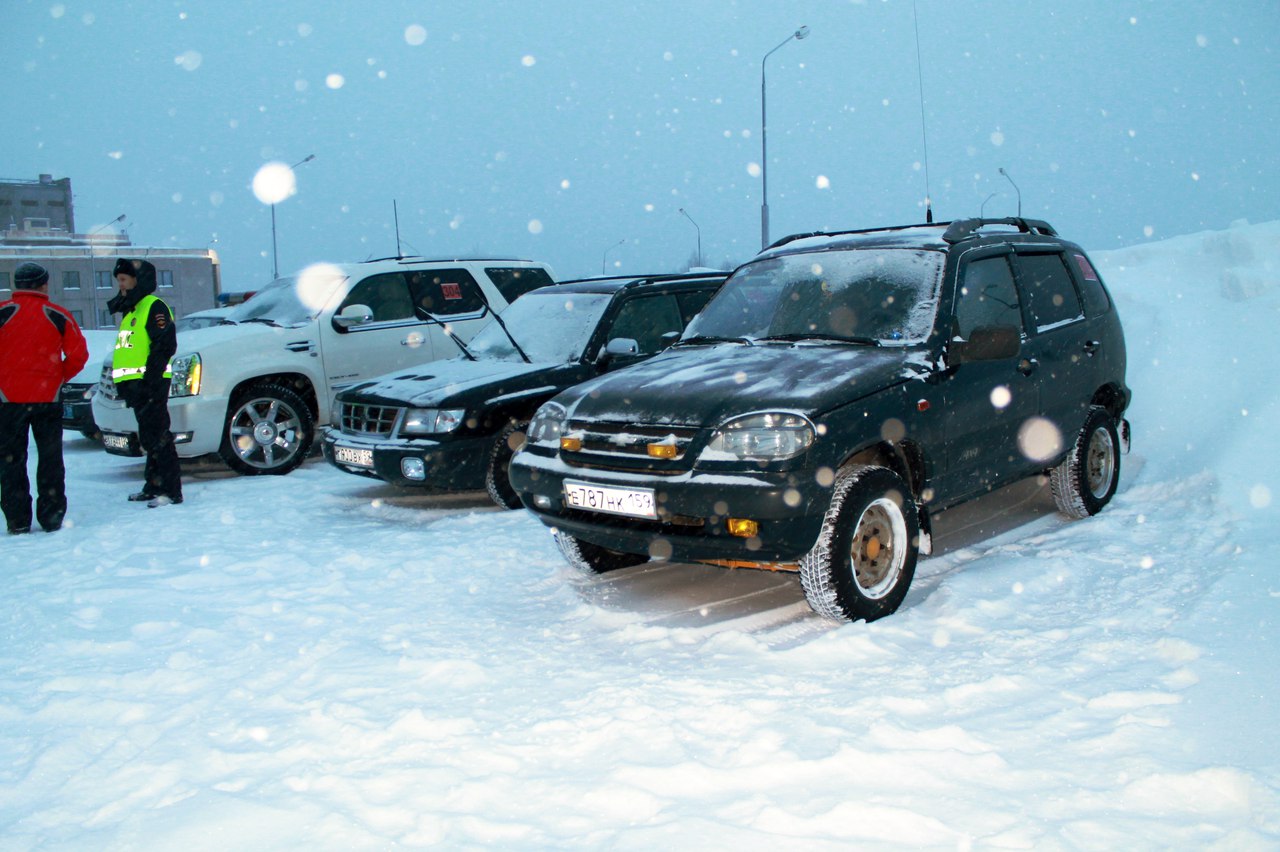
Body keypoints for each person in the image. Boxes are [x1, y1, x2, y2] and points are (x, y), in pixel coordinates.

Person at [0, 262, 89, 533]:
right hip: (47, 399)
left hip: (8, 400)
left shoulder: (3, 312)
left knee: (11, 460)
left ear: (17, 284)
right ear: (43, 284)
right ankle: (51, 517)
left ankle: (17, 520)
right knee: (50, 459)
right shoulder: (57, 314)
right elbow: (79, 355)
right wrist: (57, 377)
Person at [108, 258, 183, 507]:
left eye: (124, 279)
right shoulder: (132, 309)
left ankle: (171, 491)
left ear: (139, 281)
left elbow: (165, 345)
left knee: (159, 436)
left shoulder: (154, 306)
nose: (120, 285)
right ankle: (153, 486)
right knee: (149, 437)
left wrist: (149, 380)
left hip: (150, 384)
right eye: (118, 280)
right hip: (136, 385)